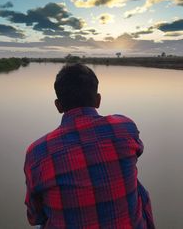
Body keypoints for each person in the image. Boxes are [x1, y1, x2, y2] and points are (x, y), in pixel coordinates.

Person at [24, 63, 155, 229]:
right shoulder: (125, 128)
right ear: (98, 100)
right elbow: (137, 151)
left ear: (58, 106)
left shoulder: (38, 153)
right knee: (136, 186)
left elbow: (34, 216)